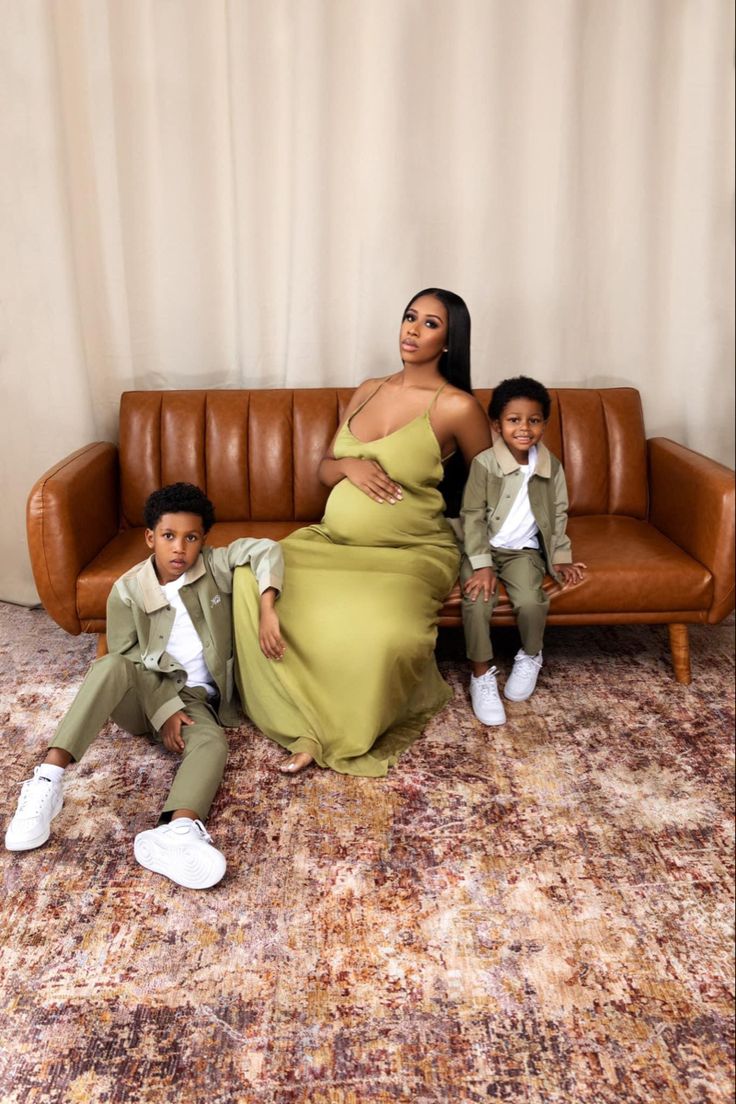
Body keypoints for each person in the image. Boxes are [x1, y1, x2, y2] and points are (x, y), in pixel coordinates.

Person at [233, 288, 491, 776]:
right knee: (251, 578)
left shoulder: (457, 407)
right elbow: (324, 469)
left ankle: (333, 733)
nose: (412, 330)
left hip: (408, 552)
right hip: (331, 544)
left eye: (430, 324)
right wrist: (349, 465)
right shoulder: (369, 388)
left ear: (451, 340)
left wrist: (490, 555)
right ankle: (297, 717)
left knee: (382, 632)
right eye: (409, 317)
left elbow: (493, 488)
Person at [4, 482, 285, 889]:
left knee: (213, 744)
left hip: (198, 701)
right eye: (169, 537)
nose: (179, 549)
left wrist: (266, 607)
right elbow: (130, 658)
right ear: (150, 538)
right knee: (111, 664)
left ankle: (177, 829)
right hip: (144, 694)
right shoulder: (129, 591)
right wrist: (164, 707)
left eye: (191, 538)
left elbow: (265, 550)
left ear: (204, 540)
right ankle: (47, 780)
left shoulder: (215, 566)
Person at [460, 376, 586, 725]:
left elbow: (559, 513)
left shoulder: (552, 467)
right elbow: (471, 516)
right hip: (482, 549)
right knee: (476, 601)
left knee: (532, 601)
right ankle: (481, 673)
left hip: (523, 552)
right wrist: (482, 564)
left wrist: (560, 558)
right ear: (497, 425)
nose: (524, 428)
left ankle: (531, 655)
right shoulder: (484, 464)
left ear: (544, 423)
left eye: (534, 420)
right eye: (514, 420)